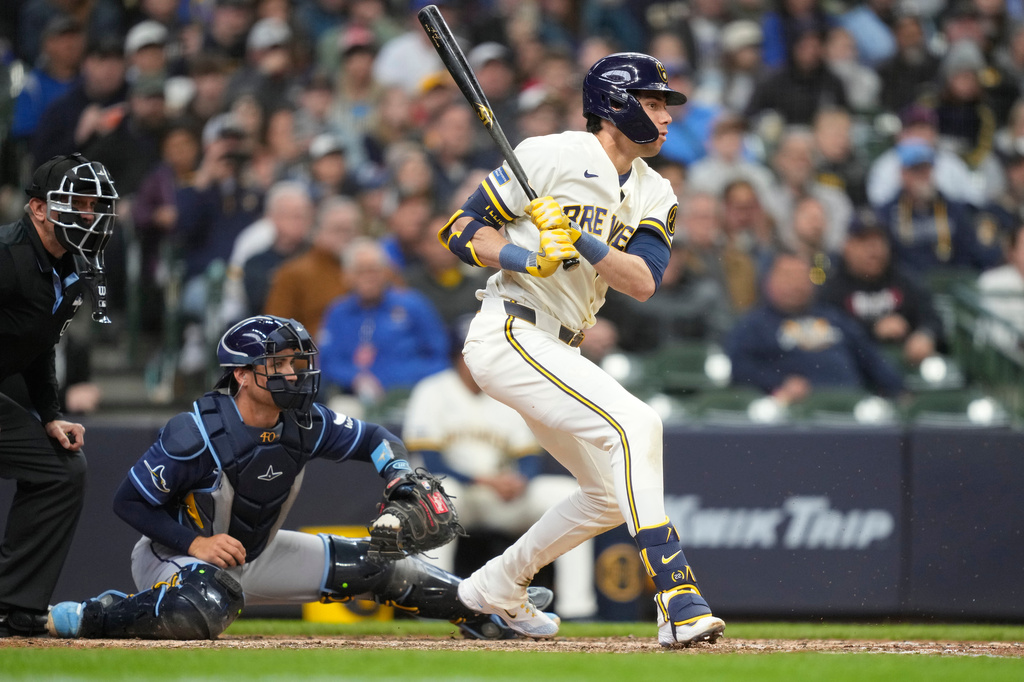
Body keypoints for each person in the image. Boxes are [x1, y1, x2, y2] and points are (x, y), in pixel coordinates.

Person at [436, 52, 726, 647]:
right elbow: (461, 230)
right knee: (637, 424)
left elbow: (642, 281)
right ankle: (676, 595)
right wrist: (523, 255)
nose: (666, 117)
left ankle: (494, 587)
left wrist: (580, 239)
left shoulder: (656, 190)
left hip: (558, 345)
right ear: (615, 106)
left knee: (606, 495)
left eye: (664, 104)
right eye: (651, 103)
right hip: (510, 328)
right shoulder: (549, 154)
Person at [46, 315, 553, 640]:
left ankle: (484, 613)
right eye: (278, 362)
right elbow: (128, 502)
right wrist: (195, 543)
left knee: (382, 563)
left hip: (256, 552)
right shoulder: (195, 432)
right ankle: (95, 614)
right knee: (203, 603)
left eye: (297, 361)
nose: (293, 372)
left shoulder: (306, 421)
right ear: (242, 374)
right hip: (176, 559)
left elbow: (376, 437)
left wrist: (398, 475)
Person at [404, 319, 598, 621]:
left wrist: (521, 480)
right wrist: (483, 480)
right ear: (460, 356)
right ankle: (433, 605)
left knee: (568, 494)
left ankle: (578, 610)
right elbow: (430, 459)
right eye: (474, 354)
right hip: (459, 495)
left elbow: (528, 455)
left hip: (502, 497)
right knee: (441, 494)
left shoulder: (507, 390)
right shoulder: (432, 391)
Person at [0, 154, 119, 636]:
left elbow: (38, 347)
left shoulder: (71, 268)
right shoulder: (6, 256)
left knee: (60, 467)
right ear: (38, 209)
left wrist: (49, 414)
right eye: (76, 203)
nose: (87, 215)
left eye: (94, 205)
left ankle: (13, 603)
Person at [725, 252, 905, 405]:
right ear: (768, 281)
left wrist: (900, 391)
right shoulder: (754, 324)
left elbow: (870, 358)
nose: (796, 284)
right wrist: (778, 383)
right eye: (788, 276)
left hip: (851, 405)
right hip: (796, 412)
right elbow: (739, 367)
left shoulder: (834, 318)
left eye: (803, 276)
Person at [819, 217, 944, 368]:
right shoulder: (832, 286)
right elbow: (828, 328)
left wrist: (925, 335)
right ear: (847, 246)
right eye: (864, 242)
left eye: (879, 242)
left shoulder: (904, 280)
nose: (874, 250)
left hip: (906, 364)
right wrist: (873, 328)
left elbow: (932, 318)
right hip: (854, 366)